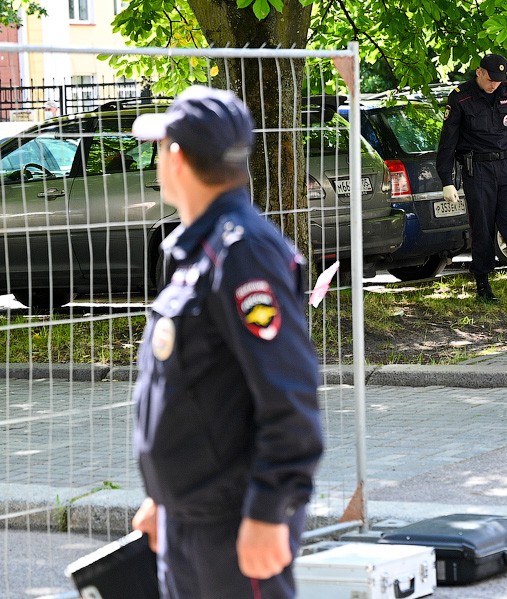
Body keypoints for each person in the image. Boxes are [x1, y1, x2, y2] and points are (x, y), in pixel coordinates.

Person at [130, 86, 323, 599]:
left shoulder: (241, 252)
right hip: (191, 518)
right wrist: (164, 498)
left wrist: (270, 511)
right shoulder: (200, 251)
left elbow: (290, 395)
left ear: (176, 157)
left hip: (233, 523)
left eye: (159, 147)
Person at [436, 53, 507, 308]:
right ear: (479, 72)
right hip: (478, 170)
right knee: (483, 228)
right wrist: (446, 180)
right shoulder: (460, 97)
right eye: (490, 79)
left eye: (499, 79)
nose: (494, 84)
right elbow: (448, 143)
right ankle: (483, 285)